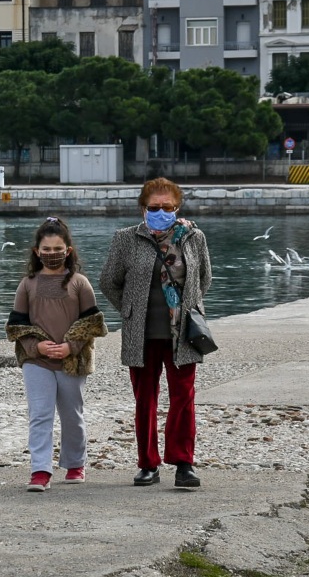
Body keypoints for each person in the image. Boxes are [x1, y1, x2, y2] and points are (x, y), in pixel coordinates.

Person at [99, 178, 212, 489]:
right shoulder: (126, 238)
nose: (160, 212)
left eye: (167, 207)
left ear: (177, 208)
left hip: (183, 333)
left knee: (183, 398)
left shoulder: (193, 237)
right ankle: (147, 464)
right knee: (144, 400)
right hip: (142, 332)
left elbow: (204, 279)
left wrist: (186, 307)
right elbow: (108, 281)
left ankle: (183, 463)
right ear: (142, 208)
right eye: (154, 207)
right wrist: (130, 309)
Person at [6, 217, 107, 492]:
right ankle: (40, 470)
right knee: (40, 414)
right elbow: (16, 325)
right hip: (36, 361)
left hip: (71, 361)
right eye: (47, 249)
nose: (52, 254)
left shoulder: (79, 283)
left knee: (72, 414)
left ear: (68, 250)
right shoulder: (27, 284)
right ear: (37, 252)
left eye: (57, 249)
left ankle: (75, 463)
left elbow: (92, 324)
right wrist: (35, 347)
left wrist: (70, 347)